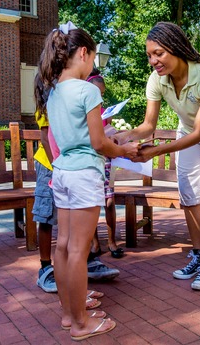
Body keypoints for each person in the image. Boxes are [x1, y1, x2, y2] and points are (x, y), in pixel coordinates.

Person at [36, 21, 139, 340]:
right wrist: (125, 149)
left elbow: (69, 137)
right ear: (83, 53)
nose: (93, 64)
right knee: (79, 251)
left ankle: (70, 315)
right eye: (93, 57)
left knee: (64, 247)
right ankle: (82, 324)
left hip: (63, 172)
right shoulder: (87, 91)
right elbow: (98, 143)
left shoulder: (53, 93)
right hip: (84, 174)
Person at [115, 22, 200, 291]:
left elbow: (199, 132)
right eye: (149, 55)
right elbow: (148, 126)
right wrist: (124, 138)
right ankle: (198, 254)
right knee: (190, 195)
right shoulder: (157, 80)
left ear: (176, 47)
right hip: (187, 133)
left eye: (158, 53)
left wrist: (154, 151)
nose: (153, 61)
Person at [33, 75, 116, 309]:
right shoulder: (55, 95)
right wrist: (56, 166)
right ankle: (46, 270)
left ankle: (74, 297)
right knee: (49, 221)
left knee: (69, 242)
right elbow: (48, 137)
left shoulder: (64, 93)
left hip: (63, 166)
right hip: (56, 165)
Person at [86, 69, 125, 259]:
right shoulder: (85, 111)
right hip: (90, 160)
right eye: (97, 94)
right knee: (93, 202)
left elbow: (107, 133)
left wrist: (113, 135)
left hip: (106, 160)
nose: (100, 98)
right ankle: (94, 243)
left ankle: (111, 241)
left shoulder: (105, 113)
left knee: (109, 201)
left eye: (102, 95)